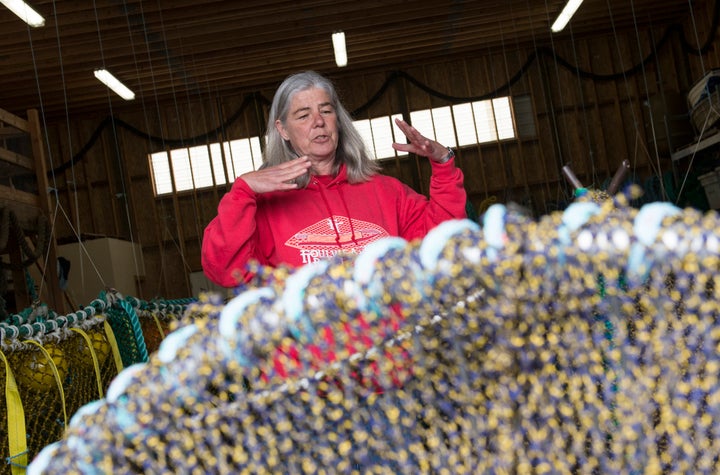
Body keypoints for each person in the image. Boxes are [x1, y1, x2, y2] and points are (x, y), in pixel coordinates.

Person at [202, 71, 467, 287]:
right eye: (304, 115)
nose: (318, 122)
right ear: (282, 129)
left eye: (326, 111)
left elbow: (443, 242)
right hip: (311, 348)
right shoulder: (265, 205)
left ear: (337, 121)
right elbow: (226, 271)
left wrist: (443, 163)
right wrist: (242, 193)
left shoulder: (385, 191)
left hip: (389, 342)